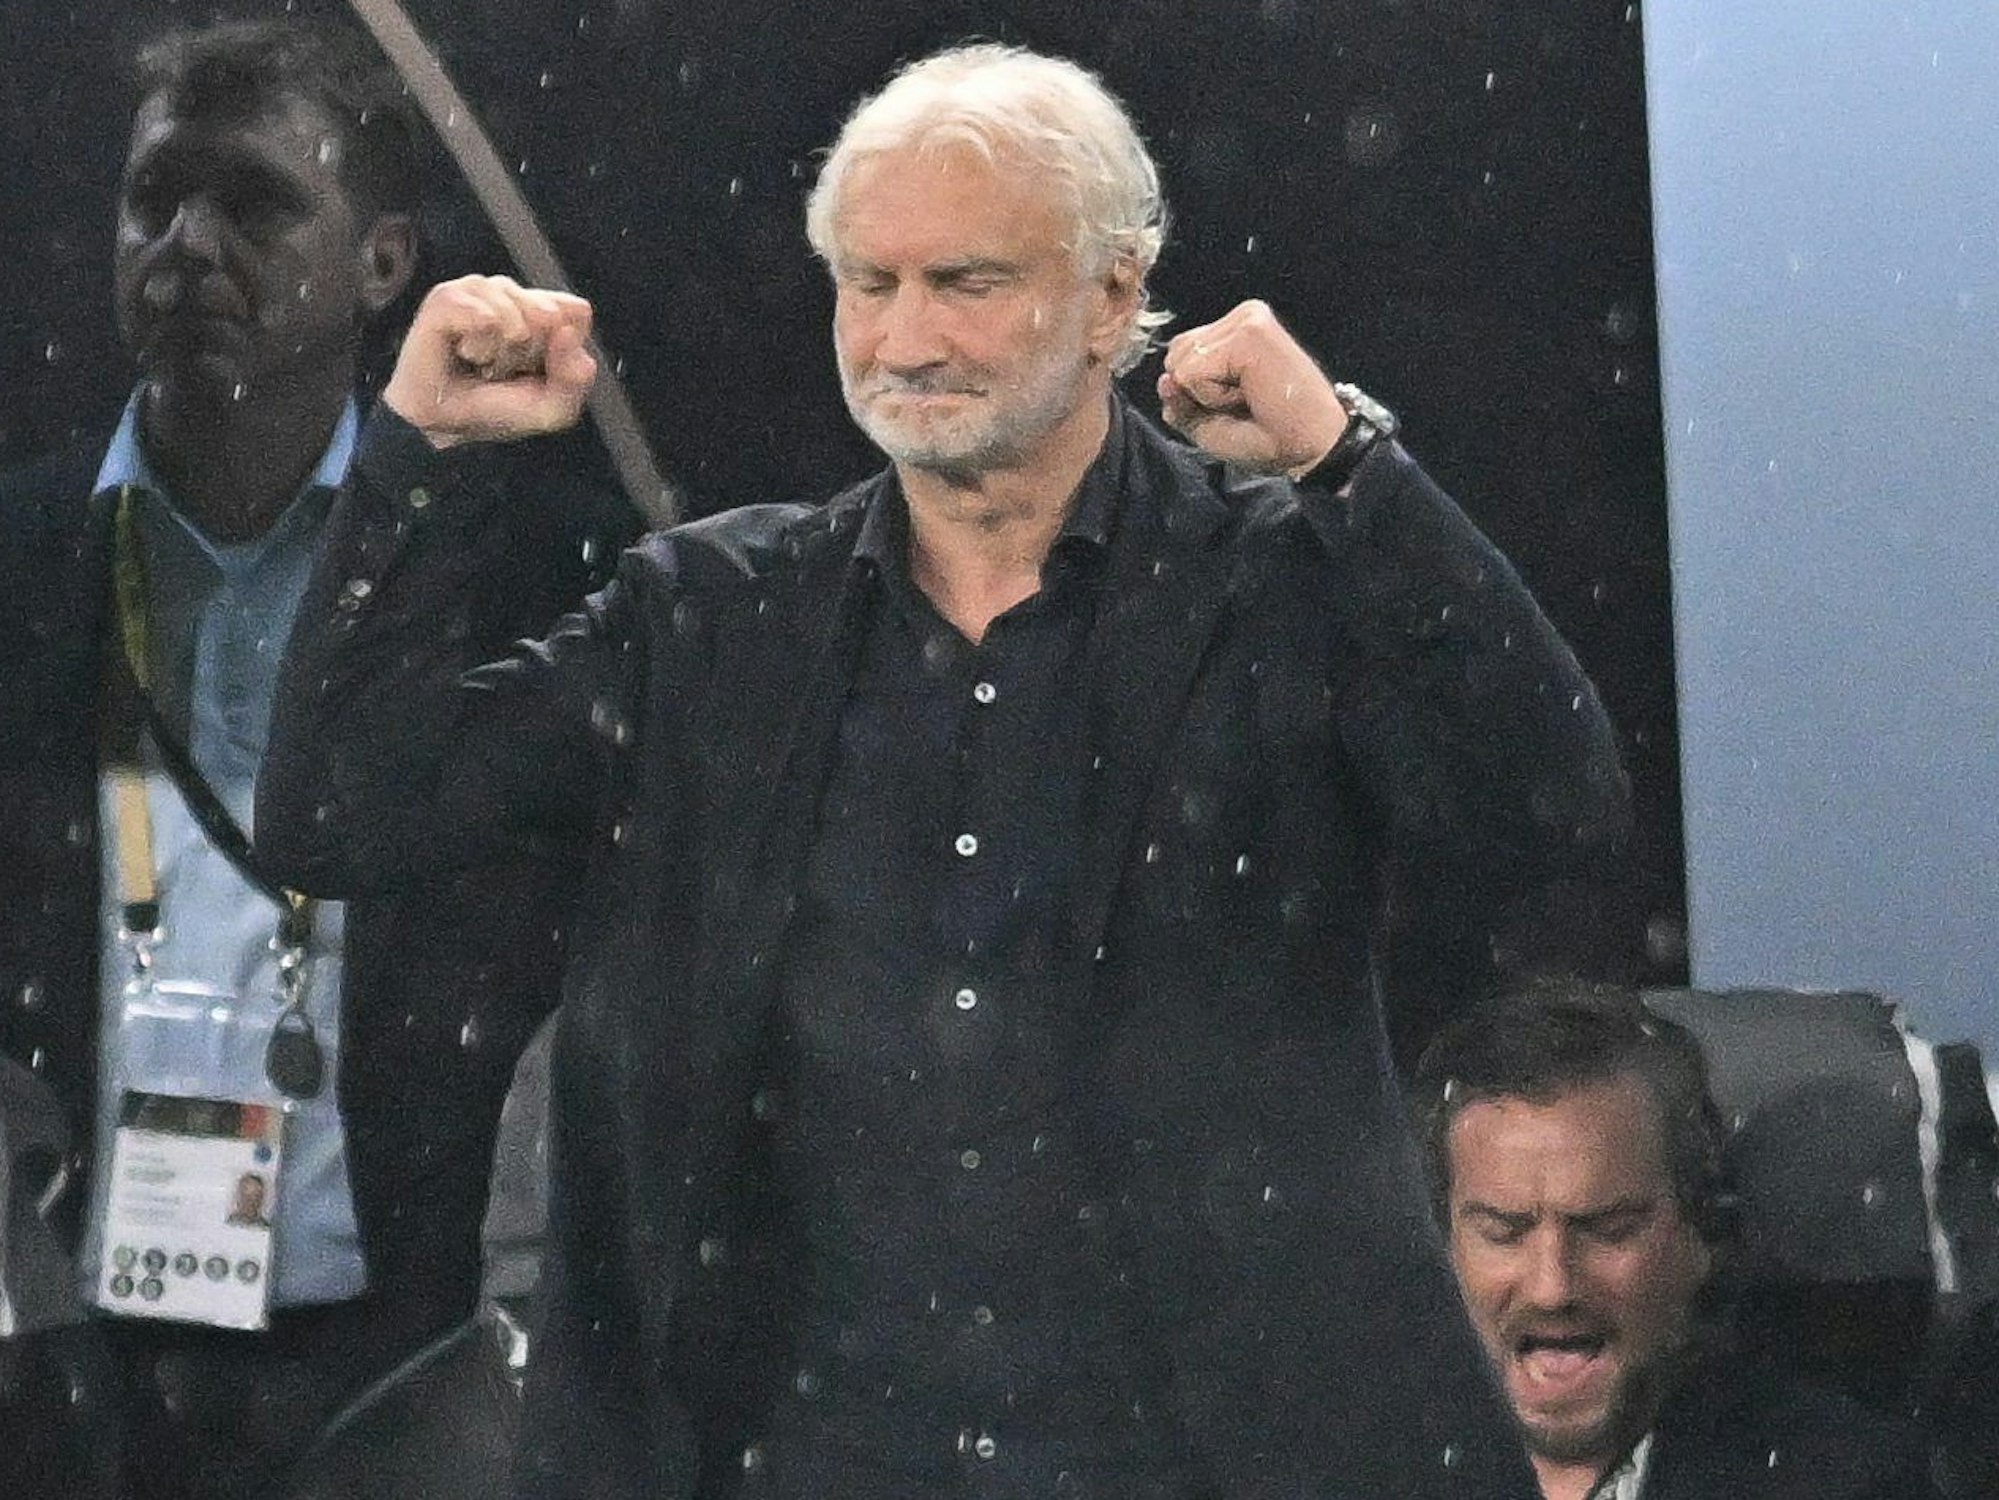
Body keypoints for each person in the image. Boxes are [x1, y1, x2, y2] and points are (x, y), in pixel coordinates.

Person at [257, 43, 1627, 1500]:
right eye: (868, 283)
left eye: (964, 283)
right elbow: (339, 809)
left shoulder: (1278, 584)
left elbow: (1551, 809)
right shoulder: (709, 621)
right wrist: (418, 458)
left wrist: (1347, 464)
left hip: (1215, 1459)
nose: (903, 338)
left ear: (1112, 294)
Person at [0, 18, 630, 1499]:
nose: (187, 246)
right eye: (155, 199)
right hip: (75, 1323)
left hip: (416, 1328)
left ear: (383, 262)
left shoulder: (522, 569)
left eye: (255, 202)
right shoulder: (24, 557)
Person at [1410, 982, 1939, 1499]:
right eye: (1503, 1232)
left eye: (1608, 1229)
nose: (1553, 1288)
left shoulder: (1849, 1481)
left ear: (1699, 1234)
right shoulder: (1372, 1461)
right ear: (1443, 1247)